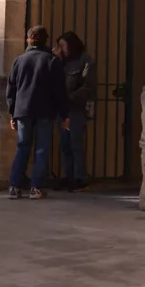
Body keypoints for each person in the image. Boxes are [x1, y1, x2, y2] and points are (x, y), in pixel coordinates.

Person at [6, 25, 68, 199]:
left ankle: (15, 186)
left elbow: (11, 89)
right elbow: (59, 91)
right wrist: (64, 114)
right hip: (45, 111)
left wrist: (12, 113)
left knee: (23, 147)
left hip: (23, 110)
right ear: (46, 40)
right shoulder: (52, 61)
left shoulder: (19, 60)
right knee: (41, 149)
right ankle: (36, 187)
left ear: (28, 39)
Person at [54, 31, 94, 192]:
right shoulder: (60, 62)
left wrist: (70, 97)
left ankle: (80, 177)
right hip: (62, 110)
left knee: (75, 143)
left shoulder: (86, 61)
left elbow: (88, 86)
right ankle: (68, 175)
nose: (60, 49)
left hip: (75, 109)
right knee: (64, 144)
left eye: (63, 46)